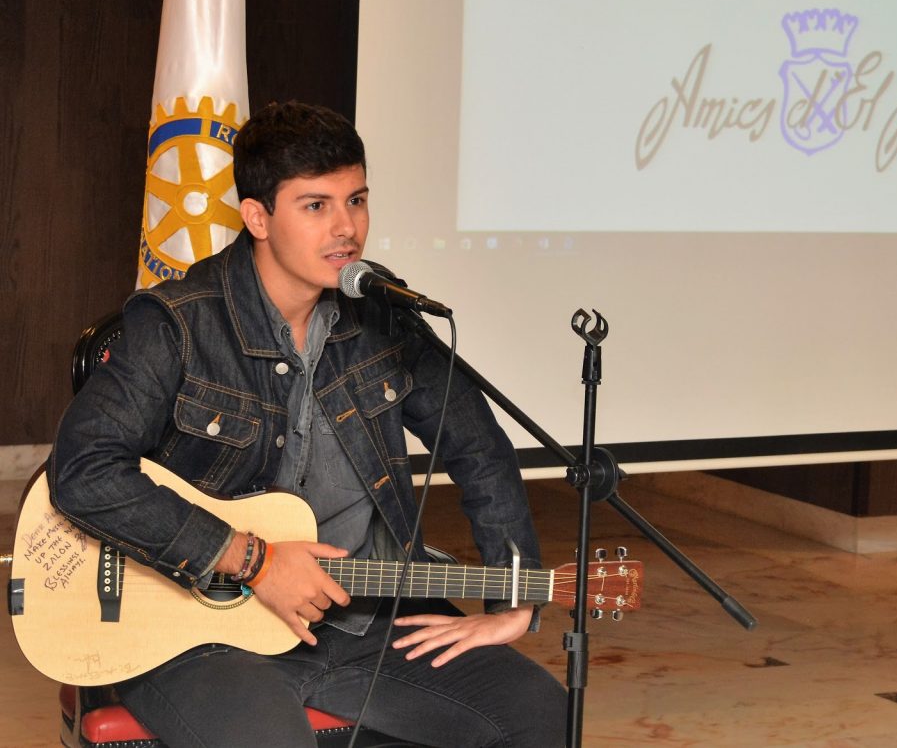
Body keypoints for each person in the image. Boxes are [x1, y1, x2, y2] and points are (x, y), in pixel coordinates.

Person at [49, 101, 567, 747]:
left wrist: (512, 593)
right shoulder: (178, 324)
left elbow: (476, 441)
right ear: (257, 216)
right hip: (202, 637)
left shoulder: (384, 316)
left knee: (537, 710)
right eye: (316, 205)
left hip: (363, 627)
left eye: (357, 199)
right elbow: (82, 470)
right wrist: (253, 559)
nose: (346, 227)